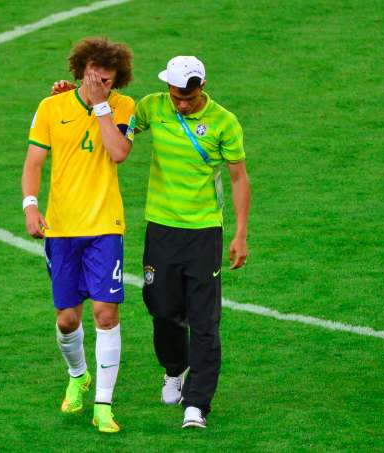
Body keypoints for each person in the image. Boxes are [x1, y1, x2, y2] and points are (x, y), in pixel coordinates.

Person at [51, 55, 250, 429]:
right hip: (160, 229)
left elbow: (239, 178)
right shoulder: (151, 108)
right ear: (167, 88)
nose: (182, 104)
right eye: (176, 96)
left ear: (203, 87)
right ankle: (174, 368)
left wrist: (240, 233)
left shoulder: (225, 122)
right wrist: (74, 94)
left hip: (204, 230)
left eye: (189, 97)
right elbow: (113, 128)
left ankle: (197, 404)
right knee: (161, 308)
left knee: (205, 320)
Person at [22, 37, 136, 434]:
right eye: (91, 77)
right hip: (62, 229)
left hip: (105, 226)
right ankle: (78, 375)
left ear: (116, 79)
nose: (97, 84)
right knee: (68, 320)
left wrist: (101, 105)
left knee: (106, 313)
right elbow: (34, 162)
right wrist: (31, 206)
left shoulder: (124, 106)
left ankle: (103, 405)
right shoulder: (51, 107)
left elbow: (118, 152)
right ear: (78, 72)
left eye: (106, 80)